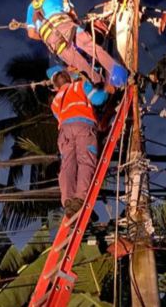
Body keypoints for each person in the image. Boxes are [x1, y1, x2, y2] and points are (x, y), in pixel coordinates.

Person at [27, 0, 128, 89]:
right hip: (65, 24)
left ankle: (100, 84)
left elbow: (31, 34)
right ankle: (118, 73)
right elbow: (72, 14)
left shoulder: (31, 6)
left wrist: (48, 35)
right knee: (91, 47)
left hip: (51, 40)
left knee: (80, 64)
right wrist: (78, 23)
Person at [48, 65, 109, 217]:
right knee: (85, 161)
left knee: (67, 165)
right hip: (83, 126)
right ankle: (80, 199)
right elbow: (98, 99)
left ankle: (68, 200)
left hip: (65, 132)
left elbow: (60, 117)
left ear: (55, 86)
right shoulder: (80, 85)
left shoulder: (55, 101)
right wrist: (107, 89)